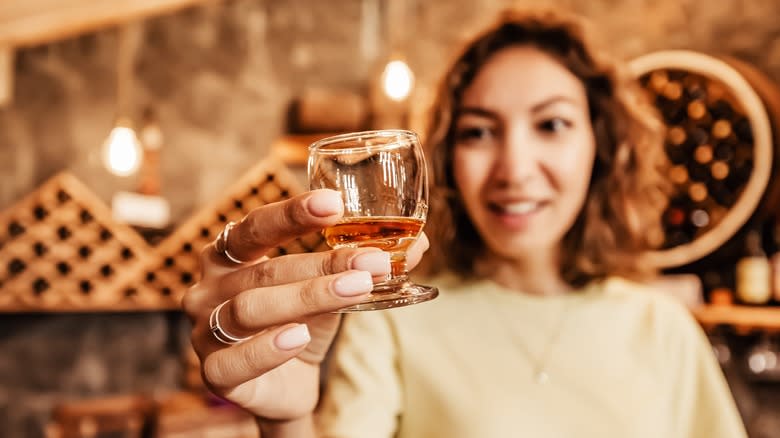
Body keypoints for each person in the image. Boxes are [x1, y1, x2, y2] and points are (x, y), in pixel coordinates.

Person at [183, 8, 748, 438]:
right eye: (479, 131)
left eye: (550, 125)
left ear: (601, 149)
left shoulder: (665, 330)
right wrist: (288, 423)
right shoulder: (394, 323)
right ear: (446, 158)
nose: (515, 169)